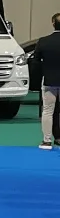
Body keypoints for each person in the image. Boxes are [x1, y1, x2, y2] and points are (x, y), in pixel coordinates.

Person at [35, 12, 60, 149]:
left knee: (48, 111)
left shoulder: (43, 41)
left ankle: (46, 140)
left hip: (49, 80)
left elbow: (36, 61)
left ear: (53, 23)